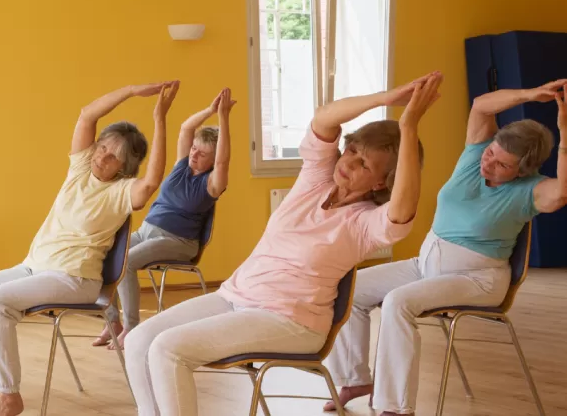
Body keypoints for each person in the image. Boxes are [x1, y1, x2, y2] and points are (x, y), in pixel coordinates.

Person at [124, 72, 443, 416]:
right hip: (235, 295)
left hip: (291, 321)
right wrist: (387, 98)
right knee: (139, 341)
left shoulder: (367, 223)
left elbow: (403, 207)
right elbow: (324, 118)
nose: (348, 162)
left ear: (383, 181)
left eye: (364, 163)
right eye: (351, 150)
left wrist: (408, 126)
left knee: (168, 350)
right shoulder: (316, 179)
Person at [323, 79, 567, 416]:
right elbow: (482, 104)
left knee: (398, 302)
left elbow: (563, 192)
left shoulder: (533, 191)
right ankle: (354, 378)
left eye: (502, 164)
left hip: (478, 279)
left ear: (522, 171)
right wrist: (529, 95)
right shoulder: (473, 156)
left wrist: (564, 133)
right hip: (426, 266)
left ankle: (394, 407)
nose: (489, 162)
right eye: (492, 151)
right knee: (348, 287)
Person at [0, 81, 179, 416]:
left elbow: (152, 182)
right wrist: (130, 91)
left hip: (75, 278)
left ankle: (9, 396)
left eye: (113, 157)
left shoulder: (124, 191)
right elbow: (87, 115)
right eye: (102, 147)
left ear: (124, 168)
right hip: (35, 266)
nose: (102, 156)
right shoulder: (80, 168)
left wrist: (159, 118)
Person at [93, 87, 235, 351]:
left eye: (202, 154)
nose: (193, 154)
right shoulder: (182, 164)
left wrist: (224, 118)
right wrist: (211, 111)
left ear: (214, 161)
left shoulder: (213, 183)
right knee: (103, 251)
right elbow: (185, 129)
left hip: (178, 241)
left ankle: (132, 326)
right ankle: (113, 322)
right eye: (194, 149)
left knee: (128, 263)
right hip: (148, 231)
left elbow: (225, 159)